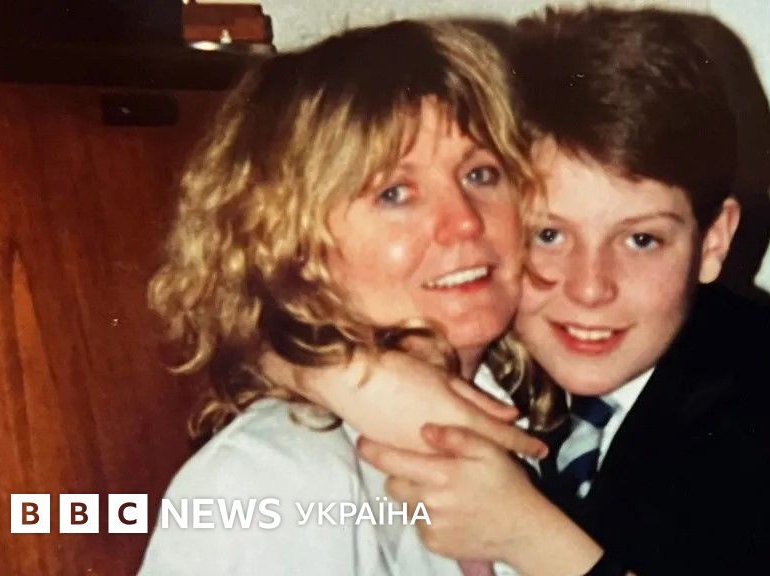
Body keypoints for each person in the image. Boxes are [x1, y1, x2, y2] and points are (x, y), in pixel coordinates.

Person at [289, 7, 770, 575]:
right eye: (549, 235)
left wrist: (534, 539)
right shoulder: (500, 349)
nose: (590, 288)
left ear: (713, 243)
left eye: (642, 240)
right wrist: (341, 372)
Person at [137, 19, 555, 575]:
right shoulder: (272, 479)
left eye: (481, 174)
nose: (463, 222)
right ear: (293, 245)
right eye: (395, 193)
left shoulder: (533, 424)